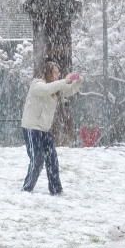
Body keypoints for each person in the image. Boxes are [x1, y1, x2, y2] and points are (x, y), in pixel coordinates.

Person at [21, 61, 83, 195]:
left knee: (52, 159)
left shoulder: (55, 88)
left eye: (58, 72)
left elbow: (69, 91)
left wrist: (77, 82)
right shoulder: (36, 85)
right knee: (37, 159)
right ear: (48, 73)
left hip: (44, 130)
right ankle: (27, 188)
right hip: (32, 128)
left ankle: (56, 190)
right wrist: (64, 80)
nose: (58, 75)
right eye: (55, 72)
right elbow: (46, 89)